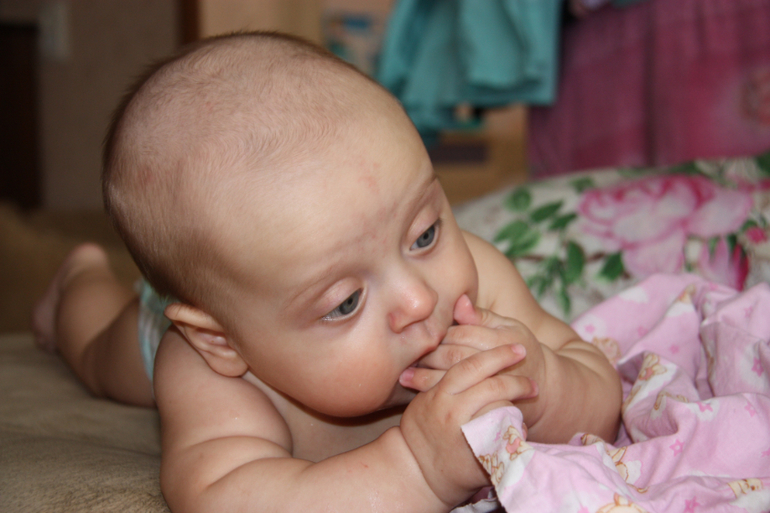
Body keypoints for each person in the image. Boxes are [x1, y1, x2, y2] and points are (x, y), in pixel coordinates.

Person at [33, 32, 622, 512]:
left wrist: (545, 387)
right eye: (345, 302)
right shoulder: (212, 374)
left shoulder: (477, 278)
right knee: (96, 352)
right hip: (152, 334)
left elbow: (599, 386)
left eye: (423, 234)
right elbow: (231, 498)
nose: (420, 299)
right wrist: (417, 469)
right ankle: (78, 280)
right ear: (222, 341)